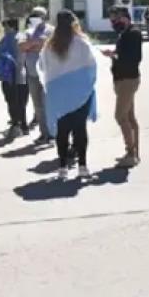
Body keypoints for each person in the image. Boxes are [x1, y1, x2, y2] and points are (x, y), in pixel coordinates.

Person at [39, 10, 98, 180]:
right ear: (74, 22)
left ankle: (62, 168)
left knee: (62, 131)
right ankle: (82, 167)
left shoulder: (49, 46)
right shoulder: (82, 42)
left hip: (58, 93)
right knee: (80, 129)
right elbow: (92, 65)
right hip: (80, 92)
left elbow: (43, 68)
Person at [104, 7, 143, 168]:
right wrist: (114, 53)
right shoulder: (124, 33)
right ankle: (135, 152)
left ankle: (131, 153)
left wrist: (114, 55)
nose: (114, 22)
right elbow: (123, 52)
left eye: (116, 19)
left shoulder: (133, 33)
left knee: (120, 116)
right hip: (122, 78)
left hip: (128, 79)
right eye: (112, 19)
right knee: (129, 117)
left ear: (125, 18)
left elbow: (134, 57)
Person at [19, 6, 54, 143]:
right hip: (32, 73)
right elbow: (21, 47)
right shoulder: (25, 31)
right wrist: (36, 43)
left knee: (48, 104)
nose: (35, 17)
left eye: (38, 15)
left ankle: (52, 133)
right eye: (34, 14)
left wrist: (32, 45)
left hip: (48, 73)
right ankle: (44, 133)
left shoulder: (52, 30)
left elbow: (51, 46)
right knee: (38, 105)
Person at [0, 18, 29, 138]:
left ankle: (15, 126)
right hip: (22, 73)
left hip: (9, 75)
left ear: (12, 27)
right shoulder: (23, 37)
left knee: (11, 100)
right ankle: (23, 125)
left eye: (6, 26)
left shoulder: (8, 39)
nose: (4, 29)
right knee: (21, 101)